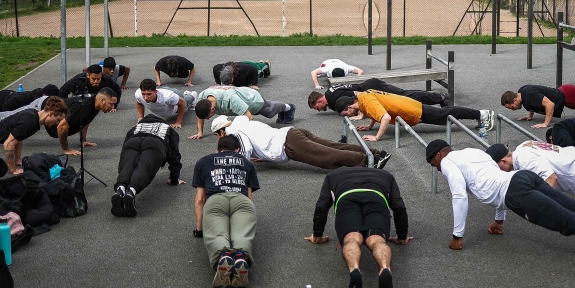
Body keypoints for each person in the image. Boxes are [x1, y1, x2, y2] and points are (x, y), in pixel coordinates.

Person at [425, 140, 575, 279]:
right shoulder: (471, 151)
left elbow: (459, 197)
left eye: (433, 164)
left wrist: (457, 236)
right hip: (522, 178)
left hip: (516, 192)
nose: (436, 169)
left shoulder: (447, 162)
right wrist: (499, 221)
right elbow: (495, 181)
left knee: (569, 221)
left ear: (438, 156)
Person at [305, 167, 411, 288]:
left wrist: (317, 235)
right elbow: (398, 206)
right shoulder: (385, 175)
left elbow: (322, 205)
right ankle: (385, 268)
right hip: (375, 198)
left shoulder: (333, 174)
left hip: (346, 198)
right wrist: (402, 237)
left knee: (352, 239)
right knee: (377, 240)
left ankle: (355, 270)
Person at [192, 134, 259, 288]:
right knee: (242, 235)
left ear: (217, 150)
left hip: (216, 201)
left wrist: (199, 230)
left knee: (217, 235)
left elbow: (200, 199)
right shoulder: (247, 163)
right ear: (238, 150)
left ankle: (224, 255)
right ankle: (240, 256)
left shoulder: (203, 162)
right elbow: (250, 197)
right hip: (241, 201)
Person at [211, 115, 391, 169]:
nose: (220, 139)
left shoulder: (233, 132)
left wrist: (237, 163)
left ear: (221, 130)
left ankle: (369, 161)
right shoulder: (240, 122)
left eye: (218, 136)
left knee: (327, 156)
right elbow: (255, 134)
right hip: (292, 133)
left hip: (288, 144)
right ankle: (375, 152)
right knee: (333, 146)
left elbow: (245, 148)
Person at [336, 92, 494, 142]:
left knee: (447, 115)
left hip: (410, 110)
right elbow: (376, 112)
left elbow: (383, 117)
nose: (348, 116)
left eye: (346, 114)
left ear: (349, 107)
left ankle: (483, 114)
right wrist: (370, 126)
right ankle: (480, 115)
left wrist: (376, 137)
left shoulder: (367, 102)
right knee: (446, 114)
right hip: (408, 106)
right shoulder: (364, 97)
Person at [111, 115, 184, 218]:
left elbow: (125, 154)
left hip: (133, 141)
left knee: (127, 165)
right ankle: (131, 191)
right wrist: (174, 179)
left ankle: (120, 189)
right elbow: (174, 156)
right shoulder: (168, 129)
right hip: (155, 142)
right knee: (145, 167)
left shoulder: (135, 127)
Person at [191, 86, 295, 139]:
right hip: (239, 98)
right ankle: (283, 111)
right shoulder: (203, 99)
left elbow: (249, 118)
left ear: (212, 109)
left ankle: (288, 107)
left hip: (251, 99)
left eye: (208, 117)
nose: (208, 119)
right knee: (269, 109)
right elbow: (200, 114)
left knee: (270, 112)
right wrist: (200, 132)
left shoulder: (231, 100)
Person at [308, 78, 446, 114]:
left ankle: (440, 97)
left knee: (405, 96)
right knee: (405, 95)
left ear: (319, 100)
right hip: (369, 85)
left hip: (371, 88)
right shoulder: (330, 92)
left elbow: (358, 95)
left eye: (316, 107)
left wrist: (360, 114)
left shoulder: (332, 100)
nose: (318, 109)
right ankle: (437, 97)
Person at [46, 89, 118, 155]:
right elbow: (61, 127)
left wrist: (82, 140)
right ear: (102, 101)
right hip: (42, 107)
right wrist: (66, 150)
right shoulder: (82, 107)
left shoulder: (94, 105)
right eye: (111, 104)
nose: (113, 107)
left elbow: (85, 121)